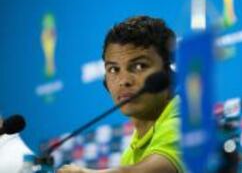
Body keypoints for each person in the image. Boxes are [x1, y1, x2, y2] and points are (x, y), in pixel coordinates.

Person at [58, 16, 184, 173]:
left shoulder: (184, 122)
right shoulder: (130, 154)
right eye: (113, 69)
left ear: (167, 74)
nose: (124, 81)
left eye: (139, 66)